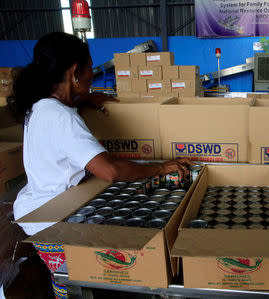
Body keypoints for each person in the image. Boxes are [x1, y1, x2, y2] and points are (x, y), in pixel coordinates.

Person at [7, 32, 192, 299]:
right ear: (74, 73)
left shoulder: (41, 106)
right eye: (89, 69)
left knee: (68, 281)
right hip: (55, 220)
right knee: (80, 283)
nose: (92, 75)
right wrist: (162, 168)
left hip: (43, 210)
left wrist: (85, 98)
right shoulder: (61, 118)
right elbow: (110, 171)